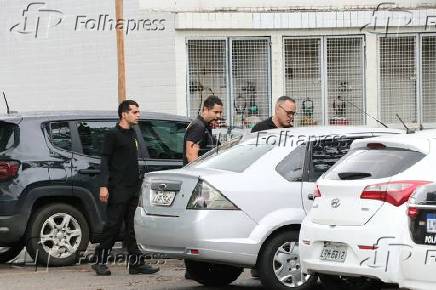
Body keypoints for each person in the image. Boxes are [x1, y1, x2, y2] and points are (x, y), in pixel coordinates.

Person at [92, 100, 159, 276]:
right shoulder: (112, 134)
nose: (138, 115)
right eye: (135, 112)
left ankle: (136, 264)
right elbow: (104, 160)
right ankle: (100, 261)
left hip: (132, 187)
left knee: (132, 227)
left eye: (138, 112)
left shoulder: (132, 133)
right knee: (113, 226)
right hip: (118, 188)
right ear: (124, 114)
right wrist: (103, 185)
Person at [183, 95, 223, 165]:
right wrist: (199, 174)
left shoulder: (205, 126)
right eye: (216, 112)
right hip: (199, 174)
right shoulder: (198, 126)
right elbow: (191, 156)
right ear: (206, 109)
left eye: (220, 112)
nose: (218, 116)